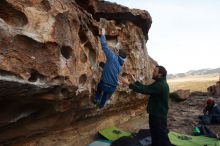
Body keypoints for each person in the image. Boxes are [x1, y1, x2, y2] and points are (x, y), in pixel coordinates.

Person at [120, 65, 171, 146]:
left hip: (159, 116)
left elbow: (144, 90)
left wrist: (128, 84)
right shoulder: (159, 83)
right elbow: (146, 87)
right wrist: (134, 80)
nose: (153, 72)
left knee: (161, 136)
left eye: (155, 71)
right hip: (156, 114)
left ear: (160, 74)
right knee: (155, 134)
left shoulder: (161, 85)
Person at [94, 28, 127, 108]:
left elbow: (104, 46)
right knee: (105, 94)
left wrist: (103, 35)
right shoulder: (121, 64)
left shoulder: (112, 57)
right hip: (112, 87)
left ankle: (97, 100)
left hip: (104, 84)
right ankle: (101, 105)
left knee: (99, 87)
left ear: (118, 53)